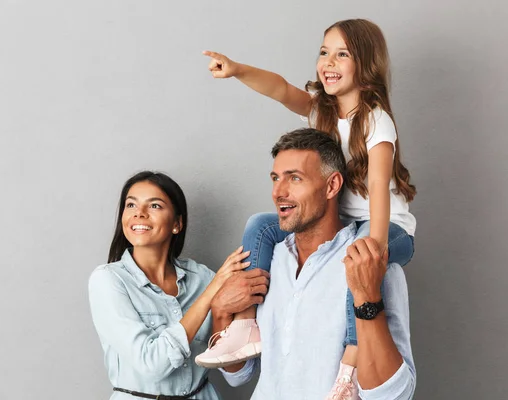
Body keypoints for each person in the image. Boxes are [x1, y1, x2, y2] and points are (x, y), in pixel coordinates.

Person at [197, 19, 416, 399]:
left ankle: (349, 364)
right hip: (346, 222)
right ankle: (245, 324)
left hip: (386, 226)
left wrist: (373, 249)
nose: (329, 61)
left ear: (366, 65)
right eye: (324, 52)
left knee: (355, 260)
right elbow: (281, 89)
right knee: (260, 224)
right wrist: (237, 70)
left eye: (342, 54)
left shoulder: (376, 120)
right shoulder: (324, 114)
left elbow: (379, 187)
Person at [209, 129, 416, 399]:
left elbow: (394, 395)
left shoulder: (374, 265)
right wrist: (221, 312)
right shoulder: (269, 258)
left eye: (295, 178)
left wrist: (367, 299)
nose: (278, 192)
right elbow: (238, 374)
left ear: (332, 186)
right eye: (275, 178)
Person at [88, 171, 269, 399]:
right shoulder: (108, 281)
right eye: (131, 205)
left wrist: (223, 311)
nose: (139, 214)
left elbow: (238, 378)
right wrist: (211, 293)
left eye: (154, 206)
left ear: (177, 223)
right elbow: (151, 364)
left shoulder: (202, 277)